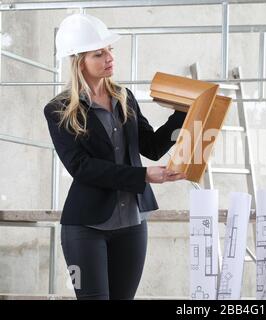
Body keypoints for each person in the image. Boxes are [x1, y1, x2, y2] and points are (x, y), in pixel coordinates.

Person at [43, 13, 187, 300]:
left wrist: (183, 114)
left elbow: (152, 146)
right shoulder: (59, 109)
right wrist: (144, 175)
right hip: (85, 228)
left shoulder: (124, 96)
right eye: (99, 53)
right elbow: (81, 167)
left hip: (133, 224)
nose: (109, 57)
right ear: (78, 61)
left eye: (110, 50)